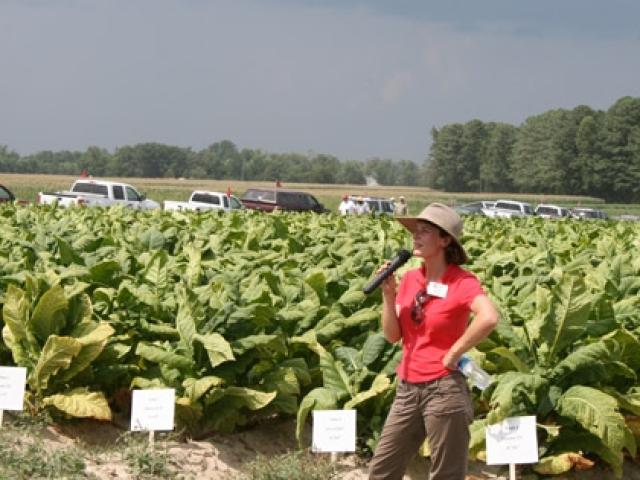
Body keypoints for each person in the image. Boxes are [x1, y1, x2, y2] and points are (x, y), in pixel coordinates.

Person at [368, 203, 499, 480]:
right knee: (381, 472)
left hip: (444, 389)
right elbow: (393, 336)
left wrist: (454, 353)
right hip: (407, 388)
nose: (416, 236)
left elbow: (489, 317)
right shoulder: (410, 279)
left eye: (425, 231)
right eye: (416, 230)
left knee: (446, 476)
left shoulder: (462, 282)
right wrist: (388, 296)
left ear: (445, 240)